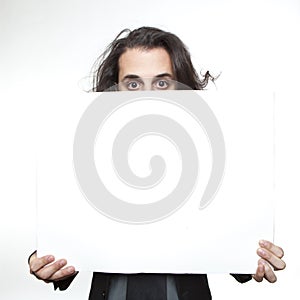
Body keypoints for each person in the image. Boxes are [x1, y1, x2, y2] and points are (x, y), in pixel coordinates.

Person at [28, 27, 286, 300]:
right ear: (113, 89)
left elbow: (230, 239)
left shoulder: (212, 153)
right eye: (133, 84)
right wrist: (48, 258)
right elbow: (68, 236)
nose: (146, 95)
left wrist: (255, 257)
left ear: (181, 88)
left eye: (162, 83)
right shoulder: (85, 151)